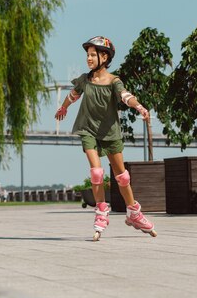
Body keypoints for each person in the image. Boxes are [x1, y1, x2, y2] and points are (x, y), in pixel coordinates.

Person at [55, 36, 157, 241]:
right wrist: (64, 107)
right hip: (87, 129)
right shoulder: (85, 80)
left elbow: (126, 96)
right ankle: (101, 211)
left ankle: (133, 213)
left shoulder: (113, 81)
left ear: (104, 57)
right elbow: (73, 95)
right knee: (96, 171)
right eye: (87, 55)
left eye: (93, 55)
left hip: (110, 132)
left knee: (122, 177)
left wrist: (138, 106)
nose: (89, 58)